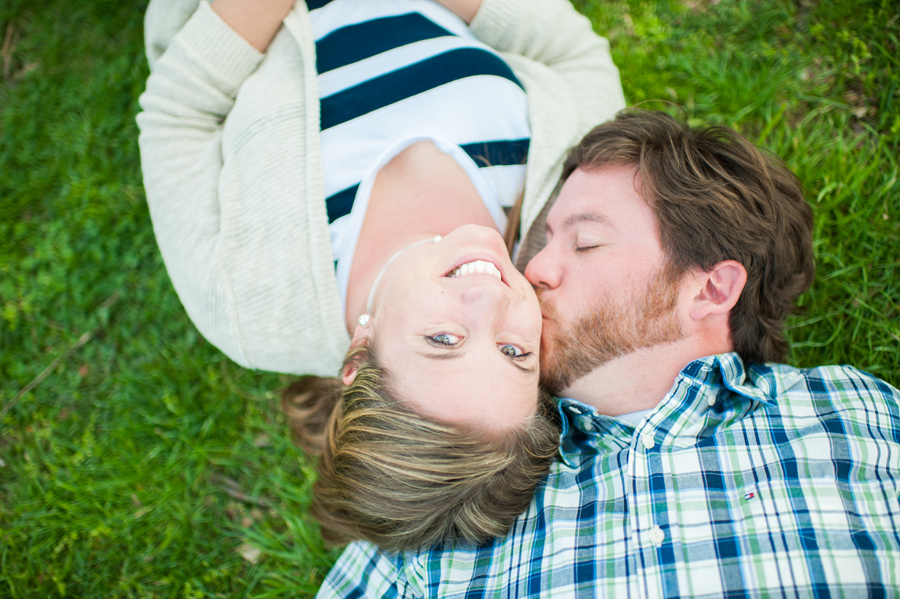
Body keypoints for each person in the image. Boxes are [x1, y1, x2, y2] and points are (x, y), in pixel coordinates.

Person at [319, 110, 900, 596]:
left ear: (711, 288)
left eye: (587, 242)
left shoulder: (857, 416)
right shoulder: (460, 479)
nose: (533, 269)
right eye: (545, 239)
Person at [137, 0, 626, 550]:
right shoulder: (561, 210)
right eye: (514, 352)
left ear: (359, 356)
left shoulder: (243, 304)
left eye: (444, 340)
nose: (490, 299)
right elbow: (573, 57)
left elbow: (178, 113)